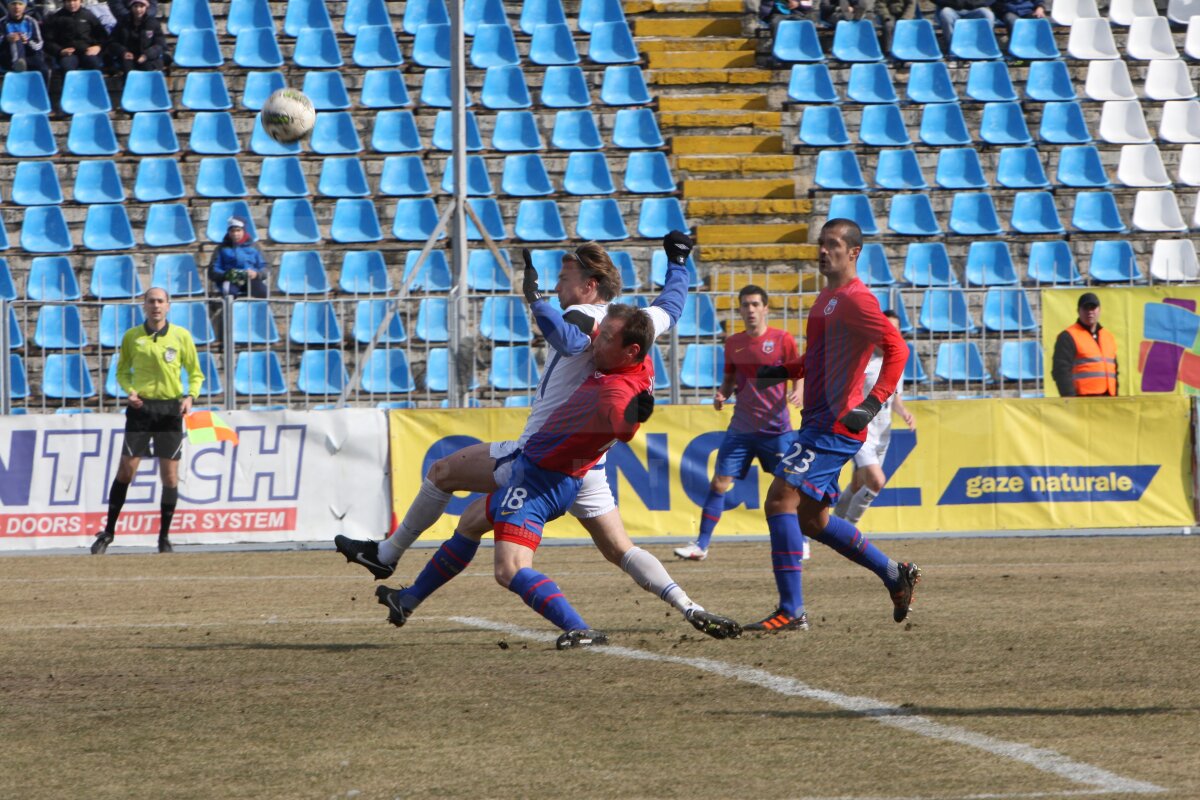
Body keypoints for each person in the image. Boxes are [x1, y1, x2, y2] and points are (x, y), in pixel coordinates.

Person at [336, 233, 743, 641]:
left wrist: (534, 299)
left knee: (446, 477)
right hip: (587, 466)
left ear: (589, 286)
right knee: (609, 547)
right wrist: (677, 261)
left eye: (564, 278)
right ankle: (688, 605)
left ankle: (387, 555)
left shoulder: (587, 315)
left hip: (542, 456)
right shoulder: (631, 321)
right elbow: (672, 304)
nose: (556, 286)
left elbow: (568, 341)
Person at [374, 305, 694, 649]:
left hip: (541, 480)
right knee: (469, 522)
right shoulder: (635, 351)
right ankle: (407, 599)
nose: (597, 342)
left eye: (606, 338)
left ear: (629, 349)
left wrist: (632, 417)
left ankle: (579, 628)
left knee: (509, 569)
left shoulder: (616, 386)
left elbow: (620, 423)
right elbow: (671, 302)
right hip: (545, 471)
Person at [750, 218, 920, 632]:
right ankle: (893, 573)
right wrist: (782, 370)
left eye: (832, 245)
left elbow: (898, 349)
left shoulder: (857, 300)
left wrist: (873, 402)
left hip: (835, 424)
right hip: (817, 420)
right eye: (821, 244)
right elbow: (819, 358)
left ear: (854, 253)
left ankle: (791, 611)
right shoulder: (827, 298)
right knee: (812, 519)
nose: (823, 251)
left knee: (779, 499)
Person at [673, 284, 802, 562]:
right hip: (741, 429)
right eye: (745, 304)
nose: (750, 309)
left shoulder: (782, 339)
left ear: (766, 308)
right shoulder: (734, 343)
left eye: (756, 304)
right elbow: (731, 380)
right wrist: (722, 393)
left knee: (789, 486)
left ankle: (800, 539)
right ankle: (701, 545)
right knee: (719, 483)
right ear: (740, 309)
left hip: (776, 430)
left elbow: (798, 371)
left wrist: (799, 389)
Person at [91, 287, 203, 555]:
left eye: (160, 301)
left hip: (170, 410)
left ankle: (164, 538)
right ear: (144, 305)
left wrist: (190, 396)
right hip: (141, 410)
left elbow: (196, 373)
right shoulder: (132, 337)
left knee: (170, 477)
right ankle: (109, 532)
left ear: (168, 306)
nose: (156, 306)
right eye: (151, 301)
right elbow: (121, 371)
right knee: (126, 472)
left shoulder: (181, 336)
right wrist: (129, 390)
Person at [832, 310, 916, 525]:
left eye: (896, 330)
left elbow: (894, 397)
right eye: (887, 329)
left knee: (858, 484)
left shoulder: (897, 361)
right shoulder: (863, 361)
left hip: (883, 433)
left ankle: (834, 525)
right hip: (863, 433)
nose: (891, 334)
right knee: (876, 482)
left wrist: (904, 412)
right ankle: (849, 529)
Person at [1051, 292, 1117, 398]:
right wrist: (1070, 399)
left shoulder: (1108, 337)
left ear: (1099, 310)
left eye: (1093, 307)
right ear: (1078, 311)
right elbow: (1060, 371)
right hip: (1083, 400)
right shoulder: (1068, 336)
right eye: (1086, 308)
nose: (1090, 312)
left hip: (1109, 398)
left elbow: (1114, 370)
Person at [208, 216, 269, 299]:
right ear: (228, 232)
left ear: (244, 231)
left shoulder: (255, 247)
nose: (235, 234)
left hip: (250, 279)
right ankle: (230, 311)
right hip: (230, 280)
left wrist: (257, 274)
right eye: (232, 231)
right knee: (229, 294)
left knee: (263, 293)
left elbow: (265, 266)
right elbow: (213, 271)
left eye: (238, 230)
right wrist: (227, 275)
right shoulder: (221, 248)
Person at [106, 0, 166, 74]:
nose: (138, 10)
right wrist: (123, 52)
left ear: (146, 7)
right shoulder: (123, 23)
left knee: (147, 67)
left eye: (141, 6)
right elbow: (112, 42)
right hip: (128, 57)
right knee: (127, 67)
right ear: (131, 7)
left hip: (147, 57)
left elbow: (160, 44)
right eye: (135, 6)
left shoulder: (153, 23)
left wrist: (147, 55)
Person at [44, 0, 106, 71]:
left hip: (87, 51)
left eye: (75, 0)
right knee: (66, 67)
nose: (72, 4)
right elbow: (48, 41)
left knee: (94, 64)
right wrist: (60, 51)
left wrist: (98, 47)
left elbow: (102, 36)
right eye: (68, 1)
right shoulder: (56, 18)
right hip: (68, 54)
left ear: (80, 1)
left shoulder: (88, 15)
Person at [1, 0, 50, 81]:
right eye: (13, 4)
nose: (17, 7)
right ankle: (18, 63)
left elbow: (39, 44)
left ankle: (42, 92)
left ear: (24, 7)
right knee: (16, 40)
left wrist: (27, 41)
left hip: (30, 55)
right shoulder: (2, 22)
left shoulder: (31, 22)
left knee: (44, 69)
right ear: (8, 6)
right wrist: (6, 39)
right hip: (8, 57)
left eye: (20, 4)